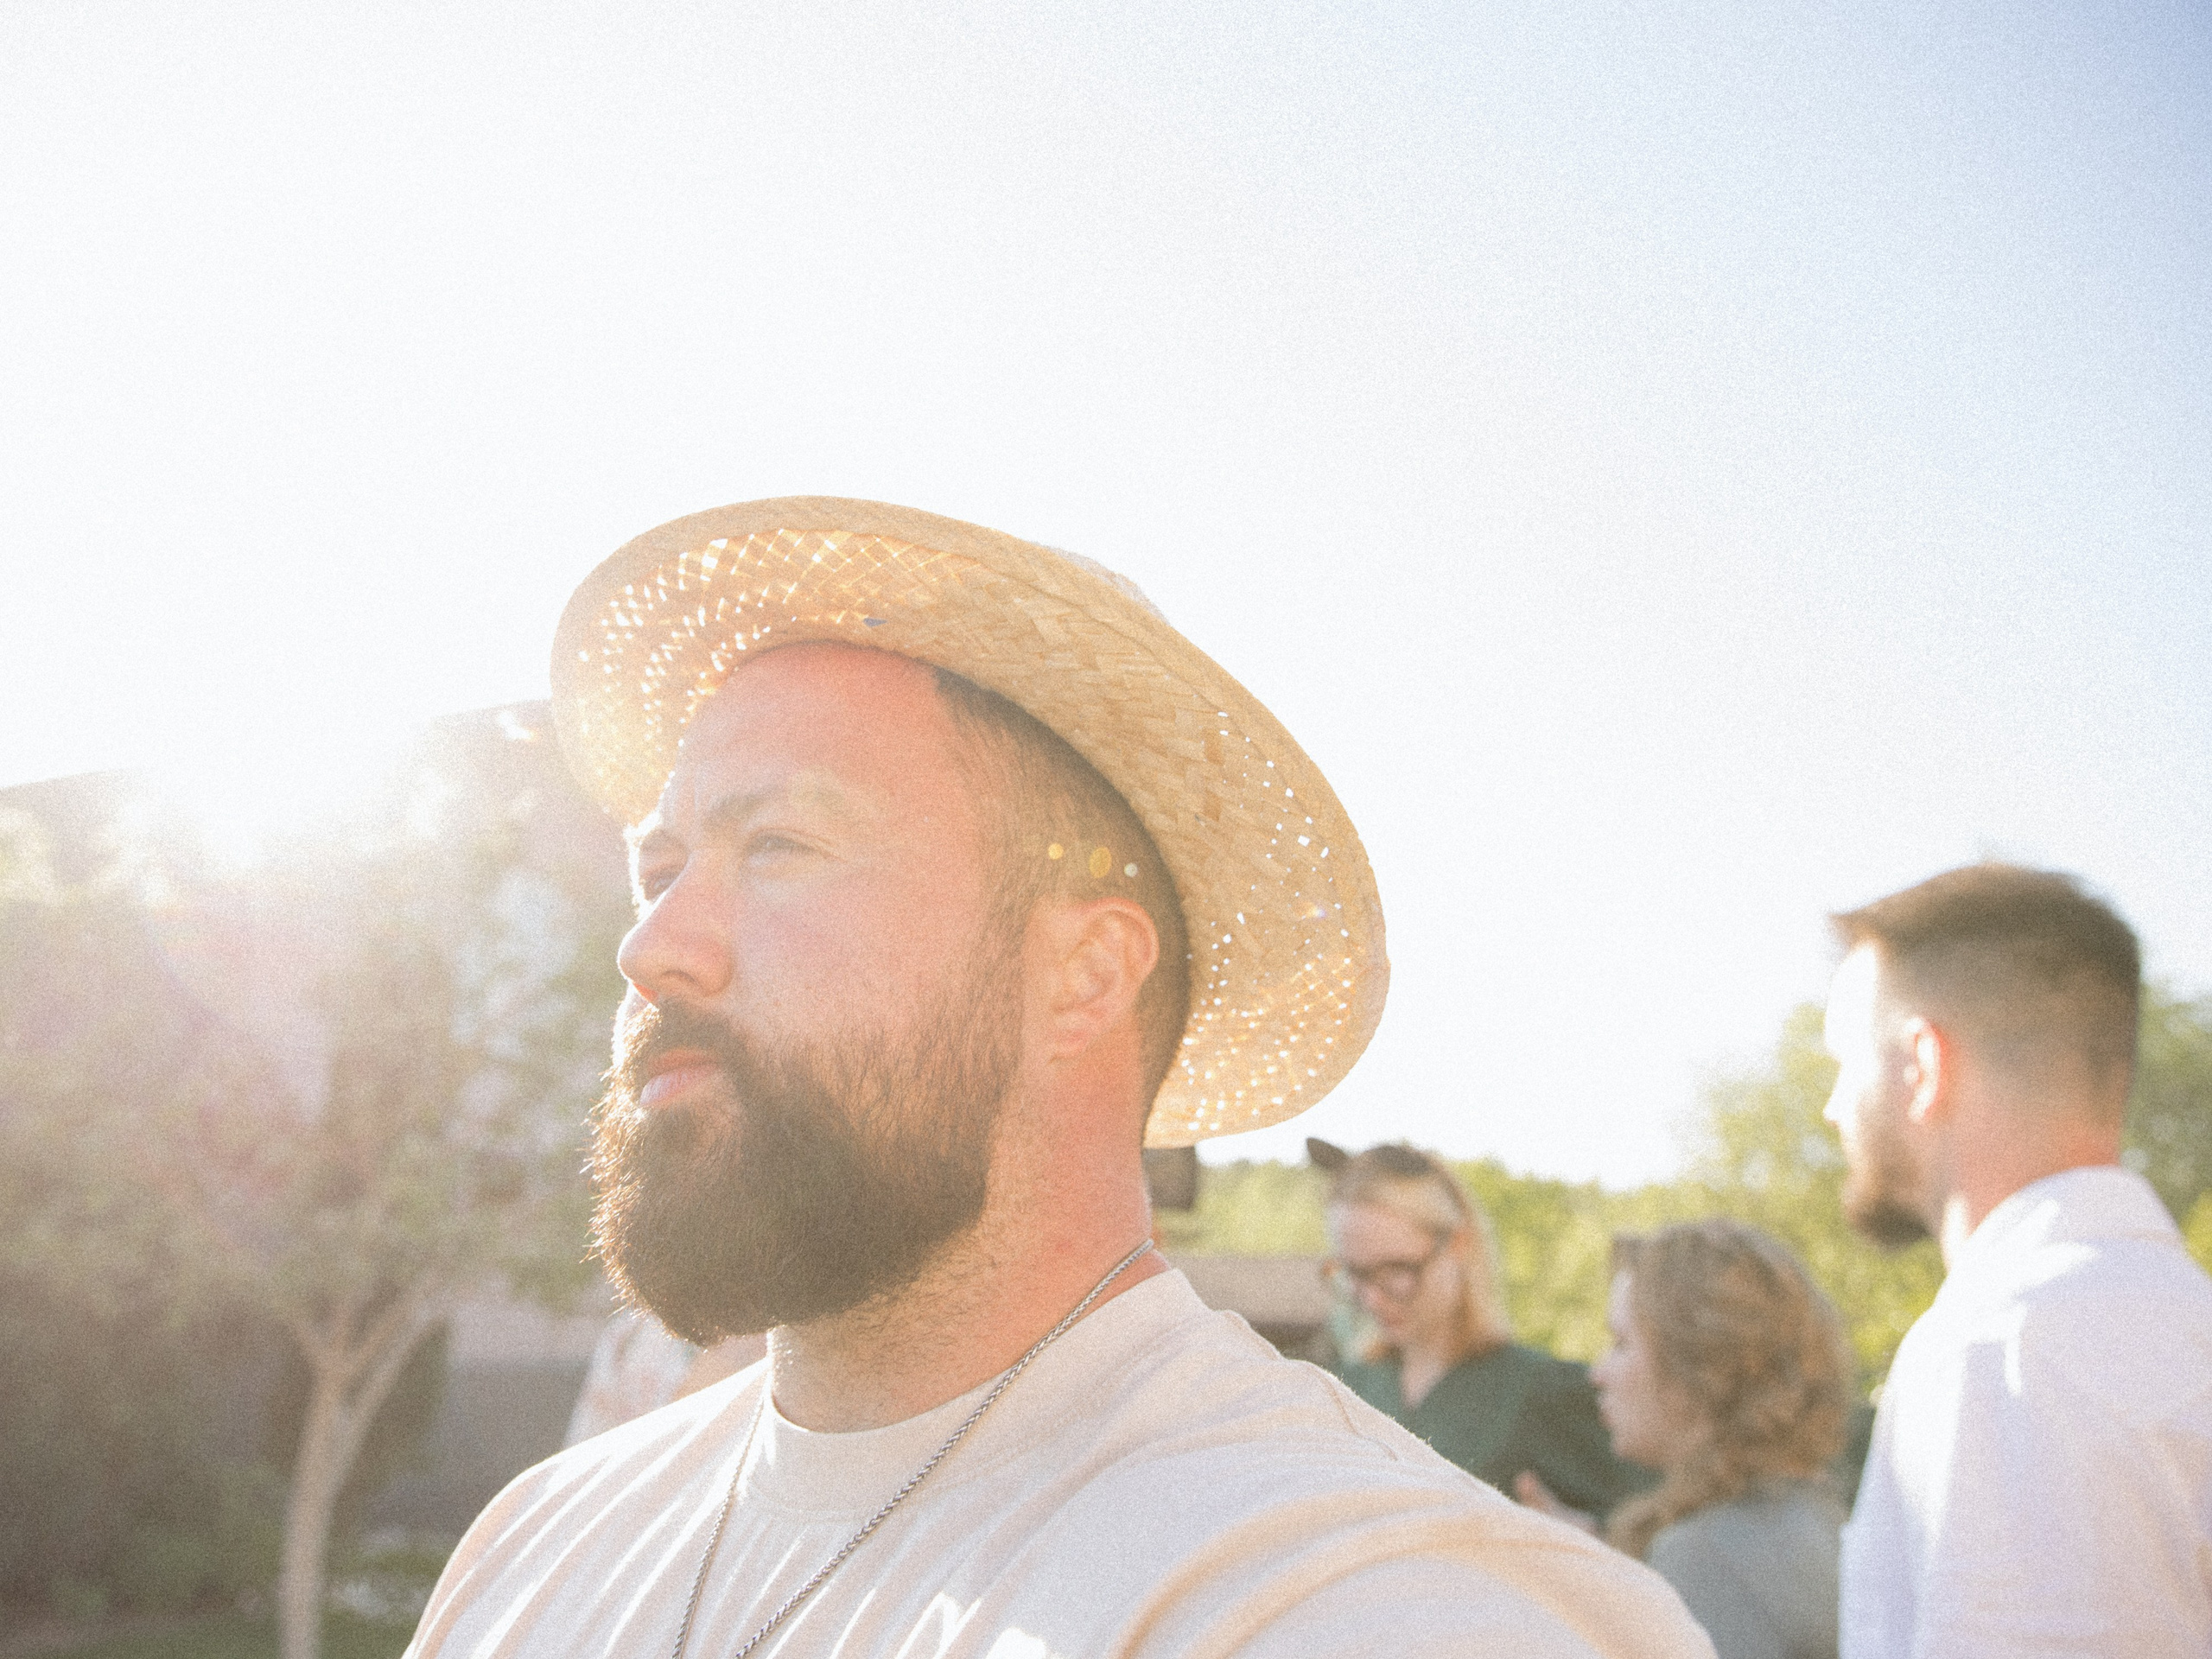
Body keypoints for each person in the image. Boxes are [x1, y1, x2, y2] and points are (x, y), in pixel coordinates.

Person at [405, 499, 1710, 1658]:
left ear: (1084, 973)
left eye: (784, 845)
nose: (652, 946)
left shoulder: (1367, 1596)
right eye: (659, 868)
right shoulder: (534, 1548)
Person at [1821, 862, 2212, 1656]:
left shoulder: (2008, 1349)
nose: (1831, 1105)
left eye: (1841, 1061)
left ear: (1922, 1068)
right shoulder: (2177, 1314)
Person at [1313, 1138, 1651, 1518]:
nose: (1372, 1299)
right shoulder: (1343, 1391)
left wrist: (1591, 1536)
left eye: (1397, 1270)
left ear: (1457, 1245)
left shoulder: (1537, 1392)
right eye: (1355, 1274)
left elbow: (1661, 1517)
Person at [1586, 1222, 1849, 1659]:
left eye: (1621, 1343)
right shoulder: (1823, 1517)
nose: (1598, 1373)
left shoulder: (1704, 1557)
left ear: (1697, 1371)